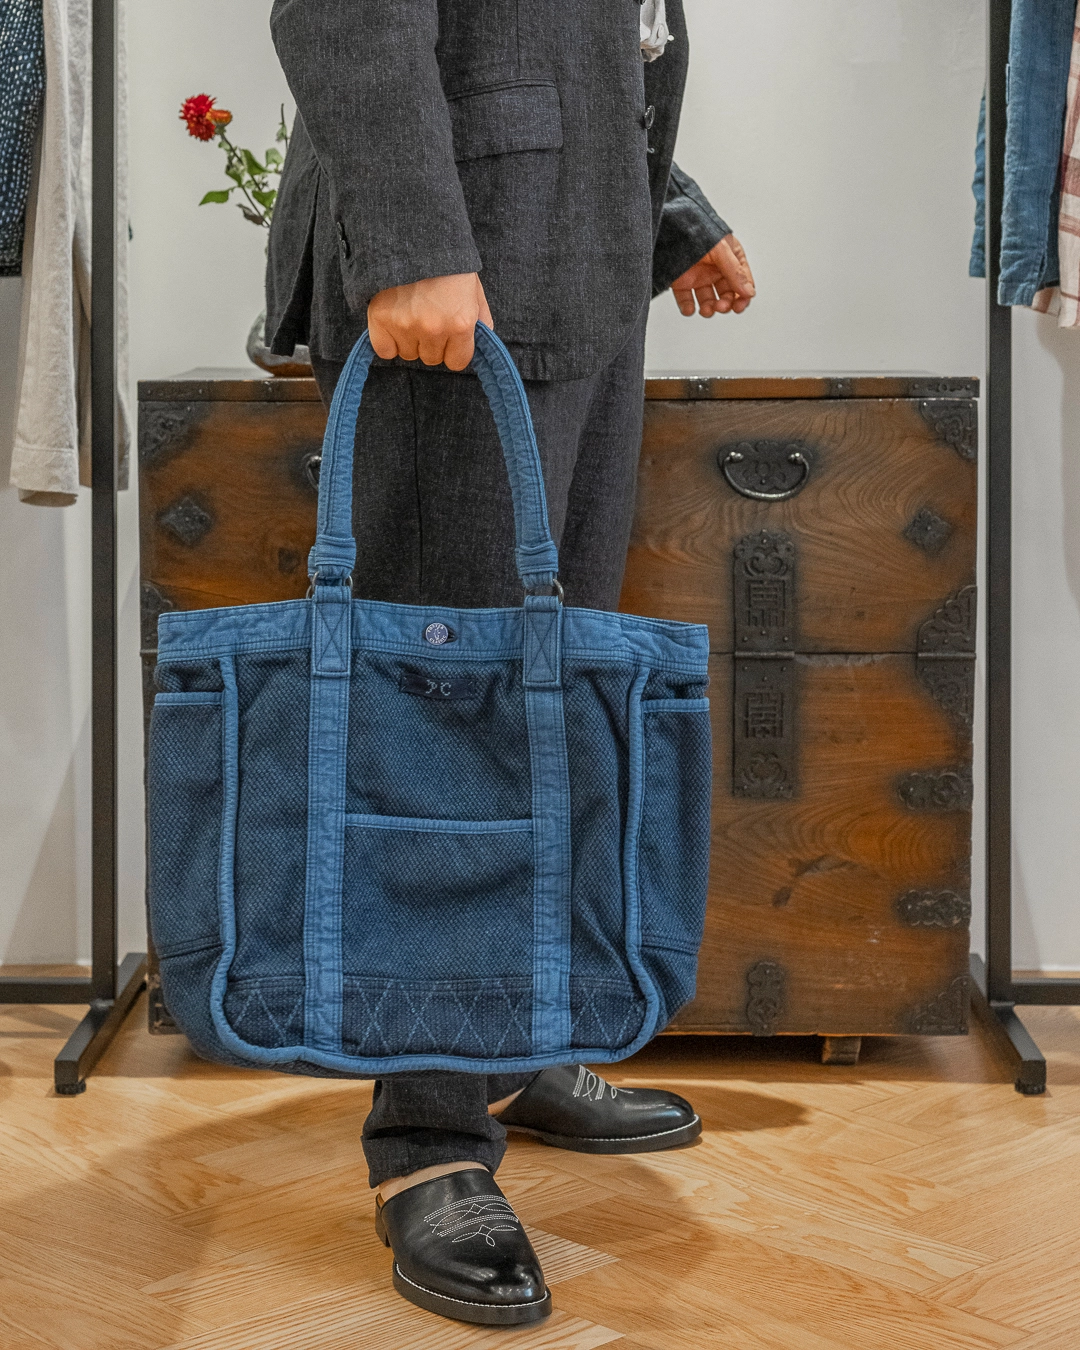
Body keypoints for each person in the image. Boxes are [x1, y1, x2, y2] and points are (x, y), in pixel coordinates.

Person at [266, 0, 755, 1326]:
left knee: (549, 707)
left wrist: (668, 210)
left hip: (569, 261)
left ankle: (511, 1047)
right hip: (458, 271)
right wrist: (414, 241)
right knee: (451, 730)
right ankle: (427, 1138)